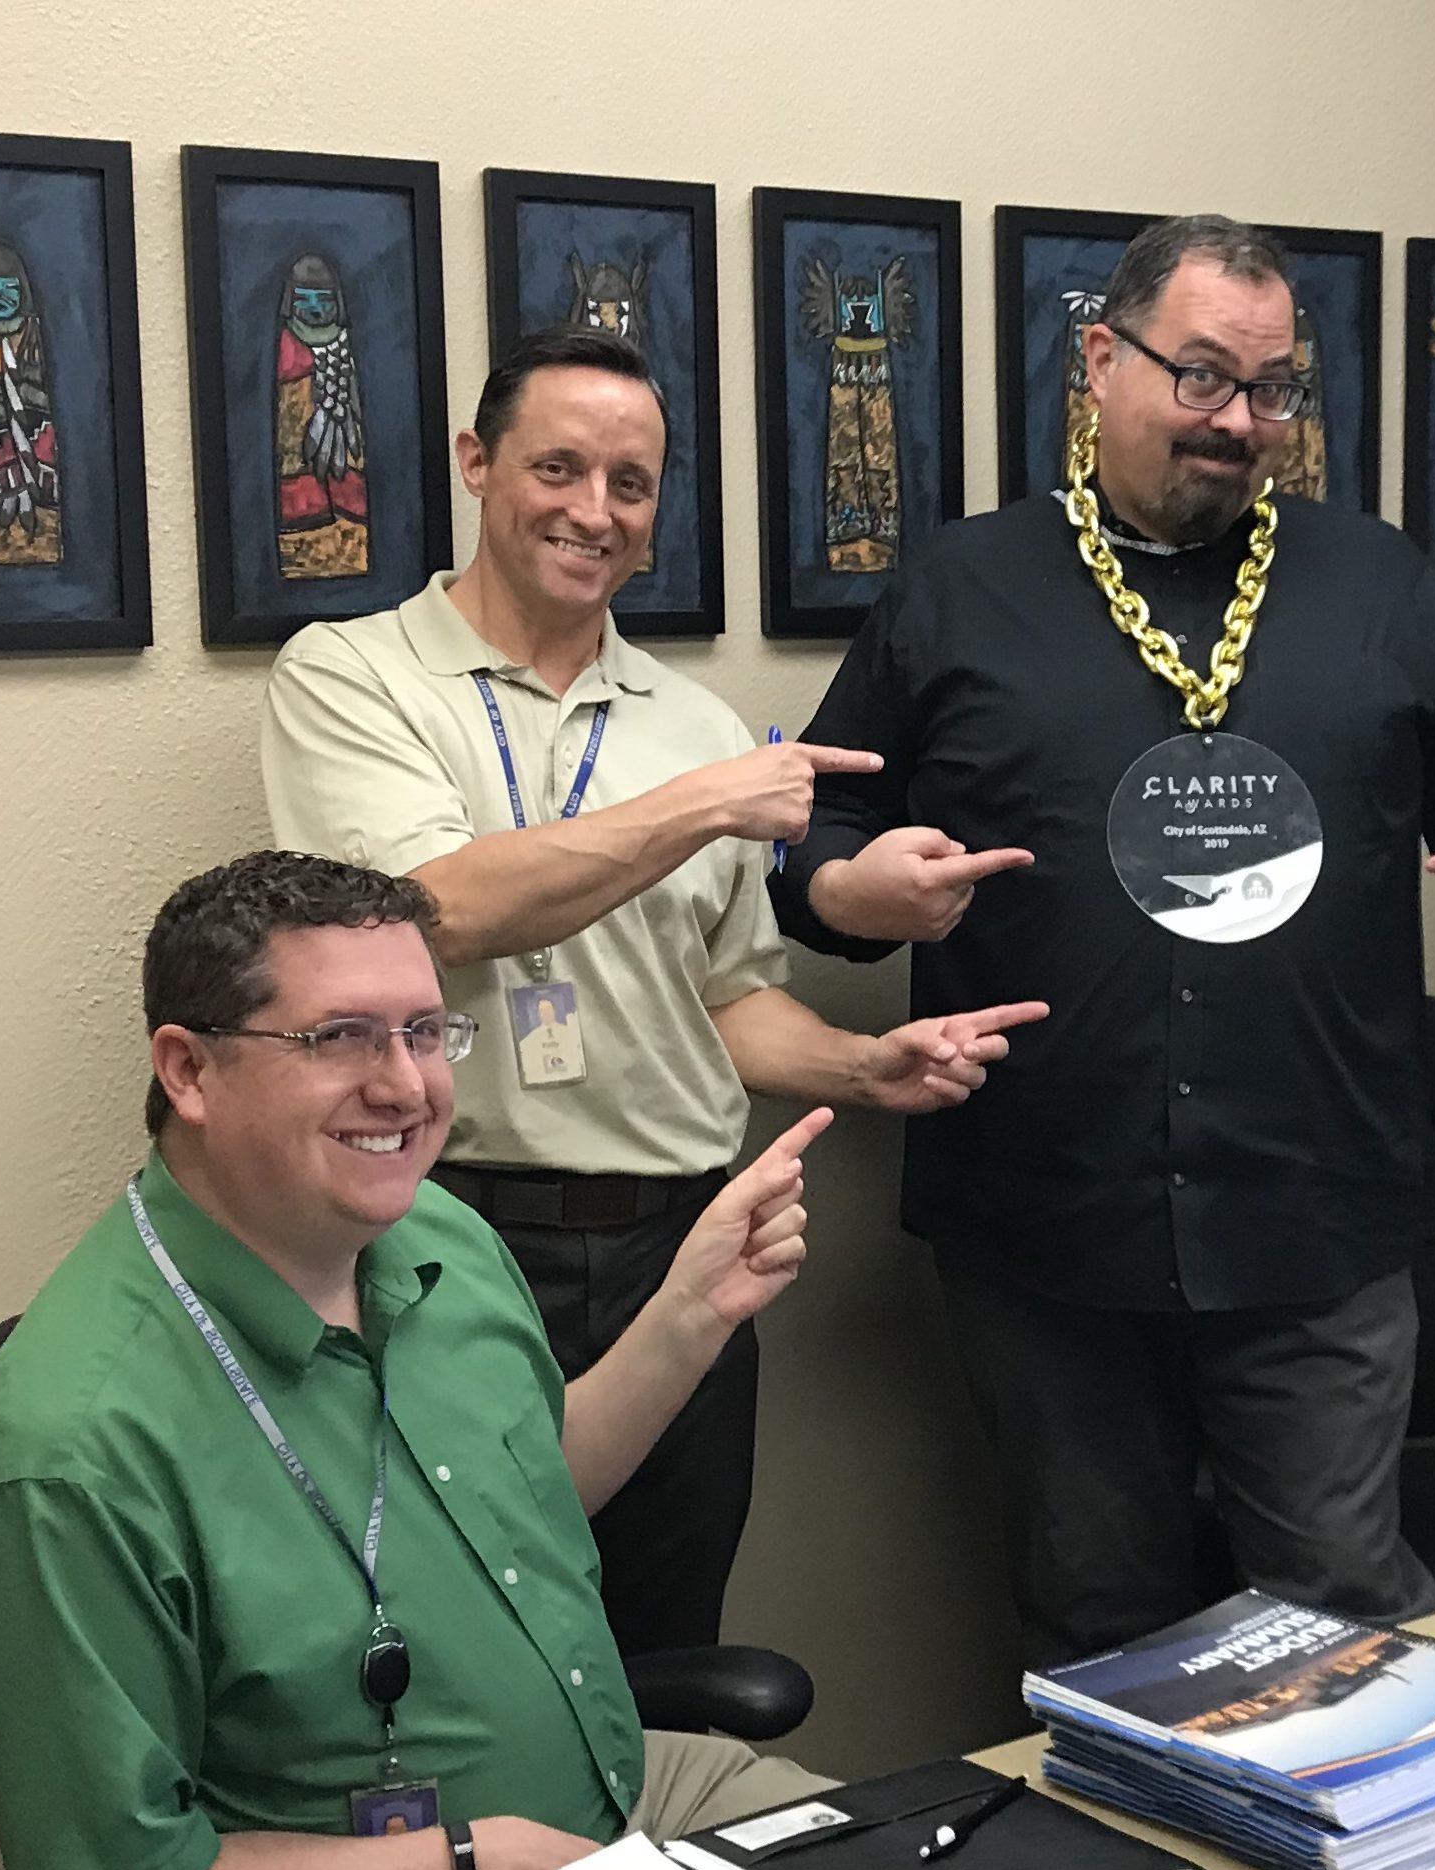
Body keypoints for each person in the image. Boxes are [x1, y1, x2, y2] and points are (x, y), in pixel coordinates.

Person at [773, 214, 1435, 1663]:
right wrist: (849, 893)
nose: (1242, 423)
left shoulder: (1379, 587)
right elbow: (815, 829)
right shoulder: (956, 589)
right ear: (1099, 360)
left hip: (1315, 1214)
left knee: (1340, 1629)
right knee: (1092, 1627)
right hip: (1047, 1225)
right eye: (1204, 378)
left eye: (1275, 389)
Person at [263, 327, 1041, 1658]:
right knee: (449, 1641)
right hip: (445, 1234)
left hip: (676, 1251)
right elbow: (427, 911)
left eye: (630, 482)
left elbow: (727, 1001)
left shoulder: (695, 723)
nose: (593, 510)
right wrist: (702, 805)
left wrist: (869, 1065)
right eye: (556, 466)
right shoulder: (351, 675)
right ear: (474, 463)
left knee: (655, 1650)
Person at [0, 852, 836, 1870]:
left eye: (423, 1031)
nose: (406, 1086)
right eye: (342, 1036)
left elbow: (534, 1490)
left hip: (611, 1793)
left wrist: (686, 1316)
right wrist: (473, 1860)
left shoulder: (433, 1235)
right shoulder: (64, 1454)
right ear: (189, 1068)